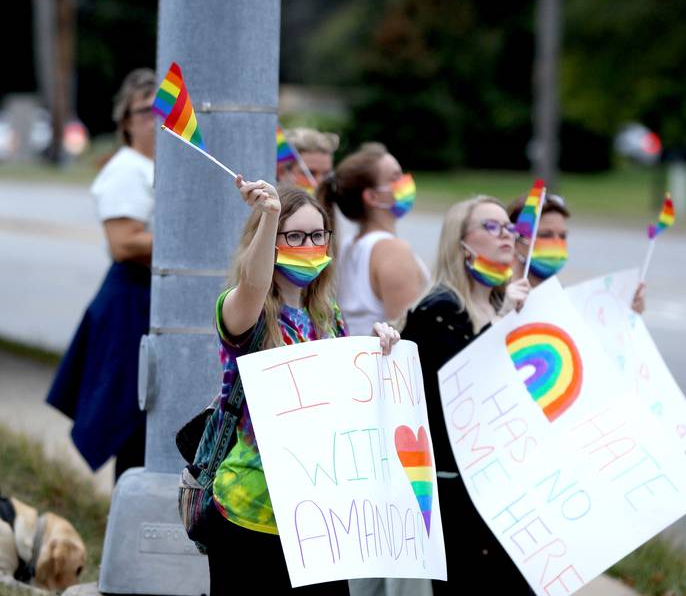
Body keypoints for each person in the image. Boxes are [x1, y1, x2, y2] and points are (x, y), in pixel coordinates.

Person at [205, 180, 400, 595]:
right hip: (252, 513)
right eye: (294, 236)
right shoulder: (241, 309)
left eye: (317, 235)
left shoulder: (326, 315)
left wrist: (382, 353)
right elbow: (255, 285)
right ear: (268, 242)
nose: (308, 245)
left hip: (321, 521)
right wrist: (271, 214)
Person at [400, 196, 532, 594]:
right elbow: (461, 397)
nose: (506, 236)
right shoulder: (438, 311)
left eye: (508, 228)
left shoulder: (504, 305)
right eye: (491, 227)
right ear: (462, 244)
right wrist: (505, 324)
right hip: (460, 496)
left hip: (510, 487)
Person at [46, 68, 156, 481]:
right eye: (144, 110)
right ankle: (126, 516)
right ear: (126, 121)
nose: (155, 118)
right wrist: (185, 240)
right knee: (134, 416)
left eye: (162, 108)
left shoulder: (153, 168)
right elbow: (123, 243)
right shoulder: (127, 169)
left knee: (144, 418)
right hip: (130, 300)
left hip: (141, 299)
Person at [318, 142, 429, 336]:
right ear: (372, 196)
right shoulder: (392, 250)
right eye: (395, 177)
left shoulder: (347, 246)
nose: (405, 181)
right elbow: (408, 332)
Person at [507, 193, 646, 313]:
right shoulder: (498, 297)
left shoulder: (567, 300)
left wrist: (627, 313)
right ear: (516, 239)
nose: (556, 243)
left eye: (562, 236)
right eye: (545, 235)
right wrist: (506, 310)